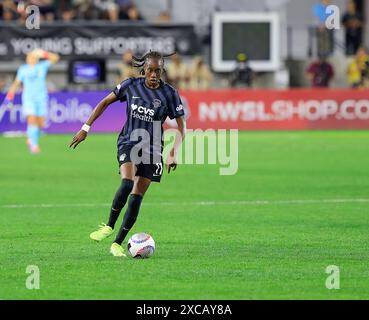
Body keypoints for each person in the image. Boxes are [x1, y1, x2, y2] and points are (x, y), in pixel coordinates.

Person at [69, 51, 186, 257]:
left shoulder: (169, 93)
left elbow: (181, 126)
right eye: (150, 70)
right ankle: (109, 226)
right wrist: (85, 128)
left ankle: (118, 243)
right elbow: (104, 103)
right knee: (126, 182)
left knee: (136, 197)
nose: (153, 74)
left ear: (162, 71)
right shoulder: (131, 85)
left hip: (153, 150)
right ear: (144, 69)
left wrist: (173, 152)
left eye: (158, 71)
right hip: (129, 142)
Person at [3, 49, 60, 153]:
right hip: (29, 99)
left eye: (33, 57)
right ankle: (34, 145)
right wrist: (10, 94)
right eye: (29, 57)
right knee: (31, 120)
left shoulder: (42, 66)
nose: (31, 59)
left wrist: (44, 53)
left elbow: (56, 58)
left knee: (41, 124)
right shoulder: (23, 69)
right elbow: (16, 83)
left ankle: (31, 137)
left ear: (37, 58)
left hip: (41, 98)